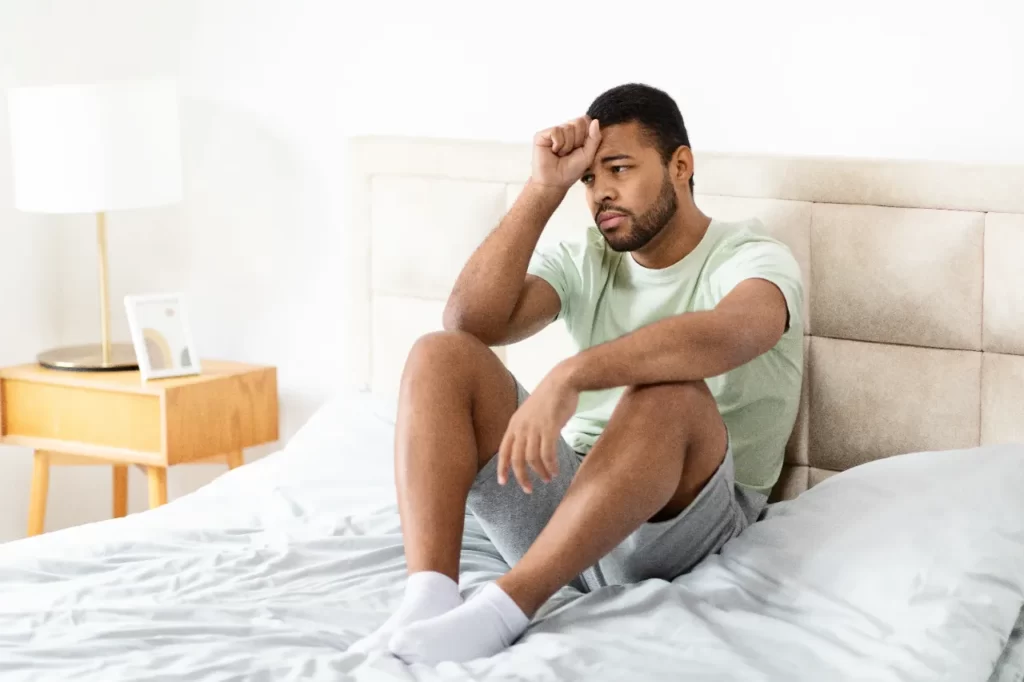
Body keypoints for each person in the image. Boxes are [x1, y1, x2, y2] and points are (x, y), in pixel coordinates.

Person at [353, 83, 804, 665]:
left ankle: (504, 609)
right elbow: (469, 321)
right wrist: (544, 188)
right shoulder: (589, 256)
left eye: (619, 168)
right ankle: (430, 597)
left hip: (683, 522)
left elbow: (733, 331)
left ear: (680, 166)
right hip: (570, 513)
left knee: (671, 394)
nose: (600, 192)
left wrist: (574, 374)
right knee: (441, 353)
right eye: (589, 178)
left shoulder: (750, 254)